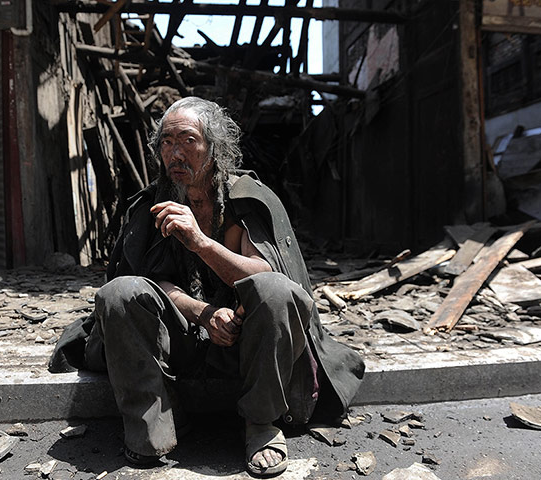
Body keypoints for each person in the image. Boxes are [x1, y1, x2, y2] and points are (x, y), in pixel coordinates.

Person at [49, 97, 365, 477]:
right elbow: (145, 280)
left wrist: (200, 242)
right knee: (118, 294)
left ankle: (262, 424)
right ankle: (155, 424)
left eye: (187, 140)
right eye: (166, 142)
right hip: (182, 337)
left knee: (276, 291)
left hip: (248, 338)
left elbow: (265, 274)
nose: (175, 153)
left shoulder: (247, 200)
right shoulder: (153, 206)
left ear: (215, 148)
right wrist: (203, 313)